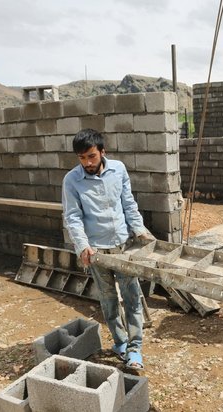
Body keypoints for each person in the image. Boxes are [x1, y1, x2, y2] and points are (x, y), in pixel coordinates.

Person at [62, 128, 153, 371]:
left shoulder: (118, 170)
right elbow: (72, 217)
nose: (87, 163)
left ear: (103, 152)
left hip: (123, 246)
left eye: (91, 156)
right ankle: (120, 343)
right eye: (82, 158)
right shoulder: (72, 180)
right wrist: (82, 245)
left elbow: (129, 203)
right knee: (109, 300)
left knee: (132, 296)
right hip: (97, 252)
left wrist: (140, 229)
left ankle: (135, 348)